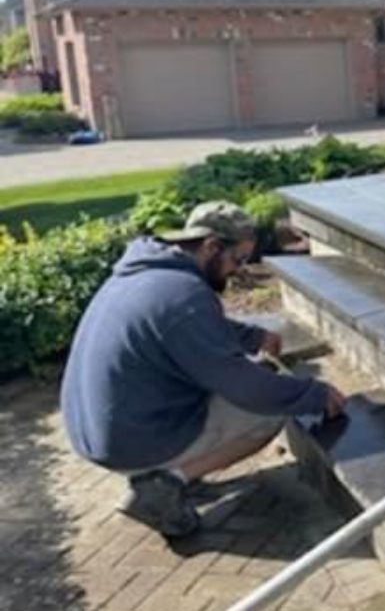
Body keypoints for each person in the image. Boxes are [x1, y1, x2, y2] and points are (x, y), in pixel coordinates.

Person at [60, 200, 346, 539]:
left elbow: (190, 331)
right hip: (128, 440)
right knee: (270, 410)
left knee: (226, 380)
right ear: (211, 246)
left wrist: (252, 337)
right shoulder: (184, 296)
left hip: (95, 430)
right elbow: (248, 389)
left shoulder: (148, 273)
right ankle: (166, 483)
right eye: (237, 259)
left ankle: (167, 473)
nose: (238, 270)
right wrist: (314, 394)